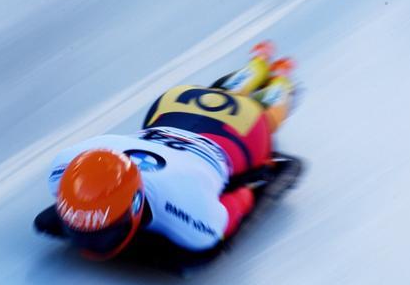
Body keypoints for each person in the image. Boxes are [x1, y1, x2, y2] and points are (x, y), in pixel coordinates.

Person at [35, 41, 299, 261]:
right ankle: (260, 62)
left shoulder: (193, 218)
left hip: (236, 137)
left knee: (264, 116)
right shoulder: (65, 166)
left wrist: (250, 183)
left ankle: (281, 77)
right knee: (229, 97)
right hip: (175, 109)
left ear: (136, 203)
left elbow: (240, 203)